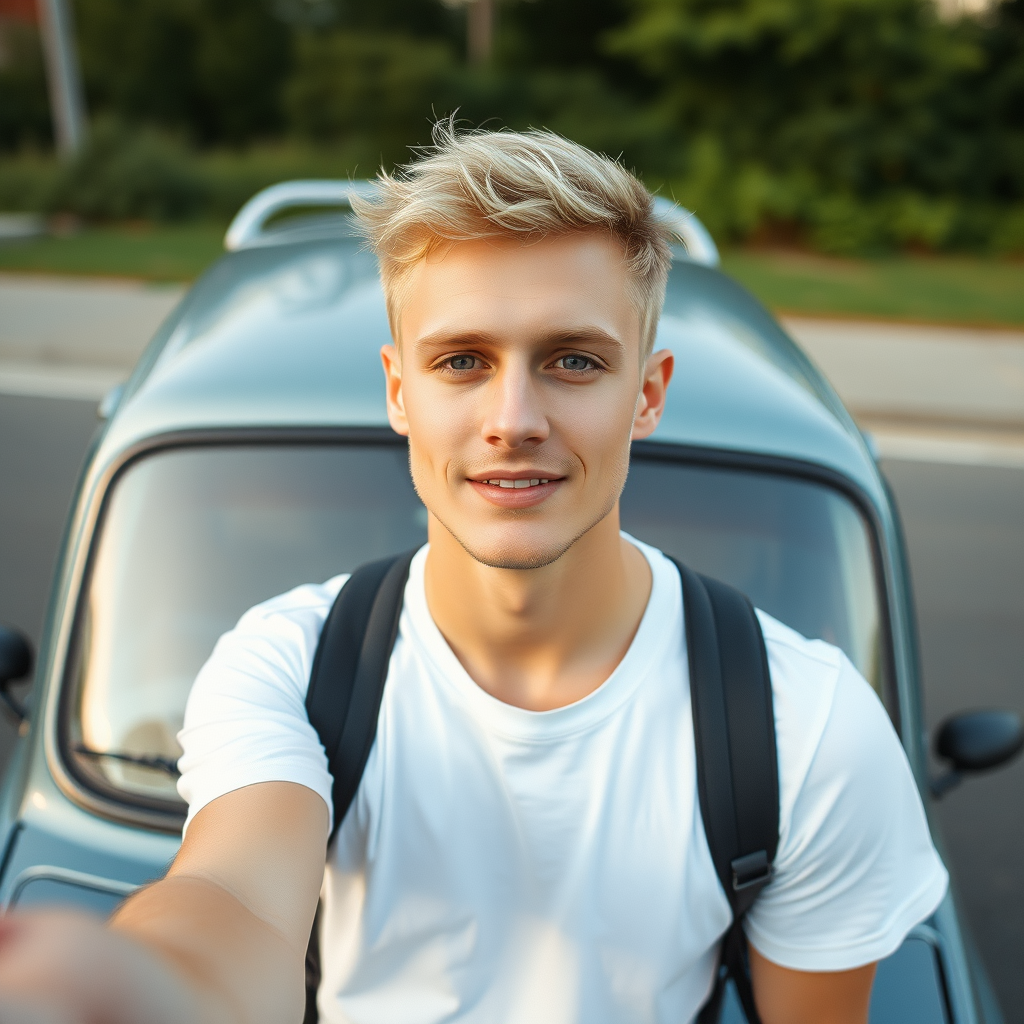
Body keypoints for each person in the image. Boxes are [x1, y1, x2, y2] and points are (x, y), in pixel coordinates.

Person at [0, 124, 946, 1024]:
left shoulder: (809, 726)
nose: (514, 418)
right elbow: (231, 899)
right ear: (399, 391)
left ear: (647, 393)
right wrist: (136, 985)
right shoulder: (286, 665)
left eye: (573, 360)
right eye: (462, 361)